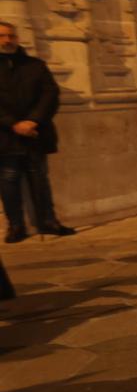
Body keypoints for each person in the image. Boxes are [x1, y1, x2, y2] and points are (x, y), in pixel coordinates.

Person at [0, 21, 73, 243]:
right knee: (8, 180)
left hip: (35, 134)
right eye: (2, 36)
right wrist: (13, 124)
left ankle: (48, 221)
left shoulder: (35, 65)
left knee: (39, 178)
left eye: (11, 35)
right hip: (4, 136)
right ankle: (16, 226)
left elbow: (50, 94)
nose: (7, 40)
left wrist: (33, 121)